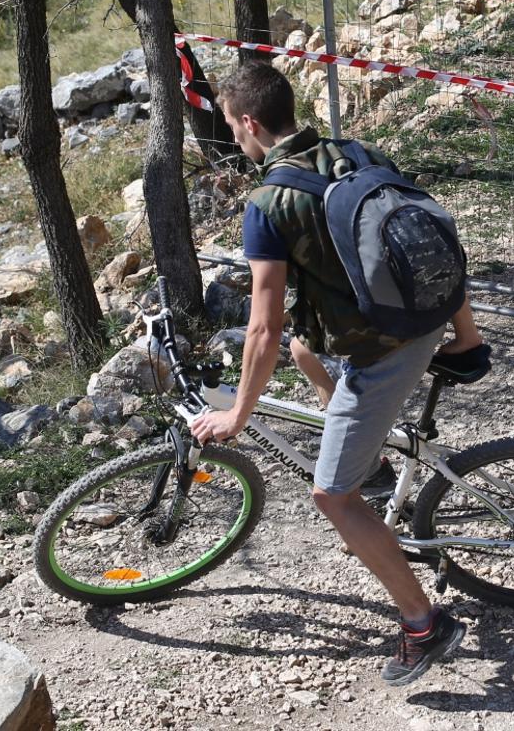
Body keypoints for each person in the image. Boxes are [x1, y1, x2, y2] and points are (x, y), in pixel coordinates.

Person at [189, 60, 489, 686]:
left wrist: (238, 413)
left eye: (232, 130)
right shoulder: (352, 151)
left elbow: (262, 326)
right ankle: (373, 460)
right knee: (305, 349)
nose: (234, 141)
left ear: (249, 123)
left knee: (332, 496)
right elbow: (428, 239)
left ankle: (423, 623)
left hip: (388, 348)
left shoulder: (268, 203)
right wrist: (466, 334)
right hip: (430, 313)